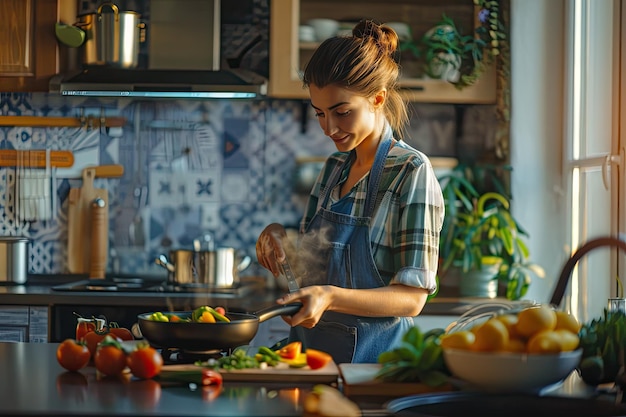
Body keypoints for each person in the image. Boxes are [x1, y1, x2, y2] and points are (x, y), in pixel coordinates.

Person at [255, 20, 445, 364]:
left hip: (370, 369)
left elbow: (412, 299)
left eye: (342, 112)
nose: (329, 128)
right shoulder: (332, 168)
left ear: (377, 98)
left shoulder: (411, 172)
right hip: (308, 358)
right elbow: (310, 269)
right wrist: (280, 239)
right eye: (320, 114)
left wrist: (330, 297)